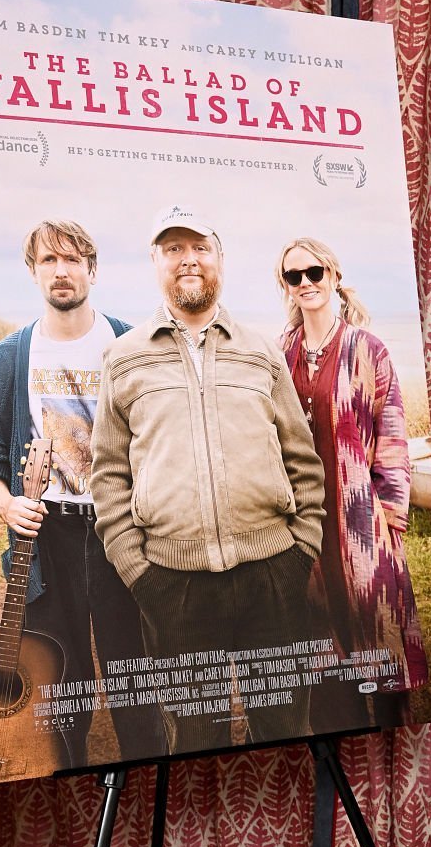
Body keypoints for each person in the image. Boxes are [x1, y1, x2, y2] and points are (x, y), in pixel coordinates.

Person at [90, 205, 325, 756]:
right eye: (173, 249)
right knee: (194, 742)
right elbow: (108, 474)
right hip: (174, 585)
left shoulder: (261, 352)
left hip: (273, 575)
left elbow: (302, 458)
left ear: (220, 258)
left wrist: (301, 554)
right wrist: (140, 573)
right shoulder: (123, 359)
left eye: (200, 247)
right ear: (155, 262)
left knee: (285, 733)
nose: (188, 259)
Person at [0, 219, 163, 769]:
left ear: (92, 270)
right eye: (48, 260)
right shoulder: (11, 356)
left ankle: (151, 785)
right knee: (59, 683)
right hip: (46, 537)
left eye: (72, 259)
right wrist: (6, 503)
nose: (61, 271)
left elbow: (157, 441)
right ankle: (69, 788)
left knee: (134, 680)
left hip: (118, 530)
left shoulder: (128, 343)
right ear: (33, 272)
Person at [275, 236, 428, 725]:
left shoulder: (368, 349)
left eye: (314, 272)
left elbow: (393, 437)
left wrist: (390, 519)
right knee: (323, 654)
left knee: (378, 640)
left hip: (362, 521)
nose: (305, 282)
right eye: (294, 276)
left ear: (334, 276)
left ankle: (392, 745)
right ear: (286, 285)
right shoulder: (281, 353)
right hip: (304, 521)